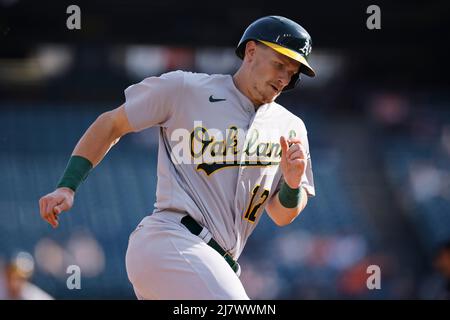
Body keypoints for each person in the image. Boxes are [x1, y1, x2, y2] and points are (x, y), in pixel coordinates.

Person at [38, 15, 316, 299]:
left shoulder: (291, 128)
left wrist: (293, 185)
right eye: (279, 64)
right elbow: (111, 124)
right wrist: (67, 185)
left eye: (293, 71)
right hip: (171, 241)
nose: (284, 77)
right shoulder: (186, 89)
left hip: (217, 263)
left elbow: (282, 215)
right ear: (251, 51)